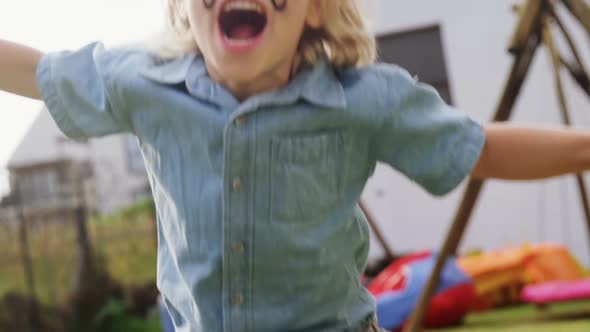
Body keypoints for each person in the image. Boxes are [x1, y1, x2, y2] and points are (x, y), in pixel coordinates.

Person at [1, 0, 589, 331]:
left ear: (316, 10)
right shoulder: (143, 82)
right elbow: (36, 71)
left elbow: (479, 146)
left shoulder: (361, 99)